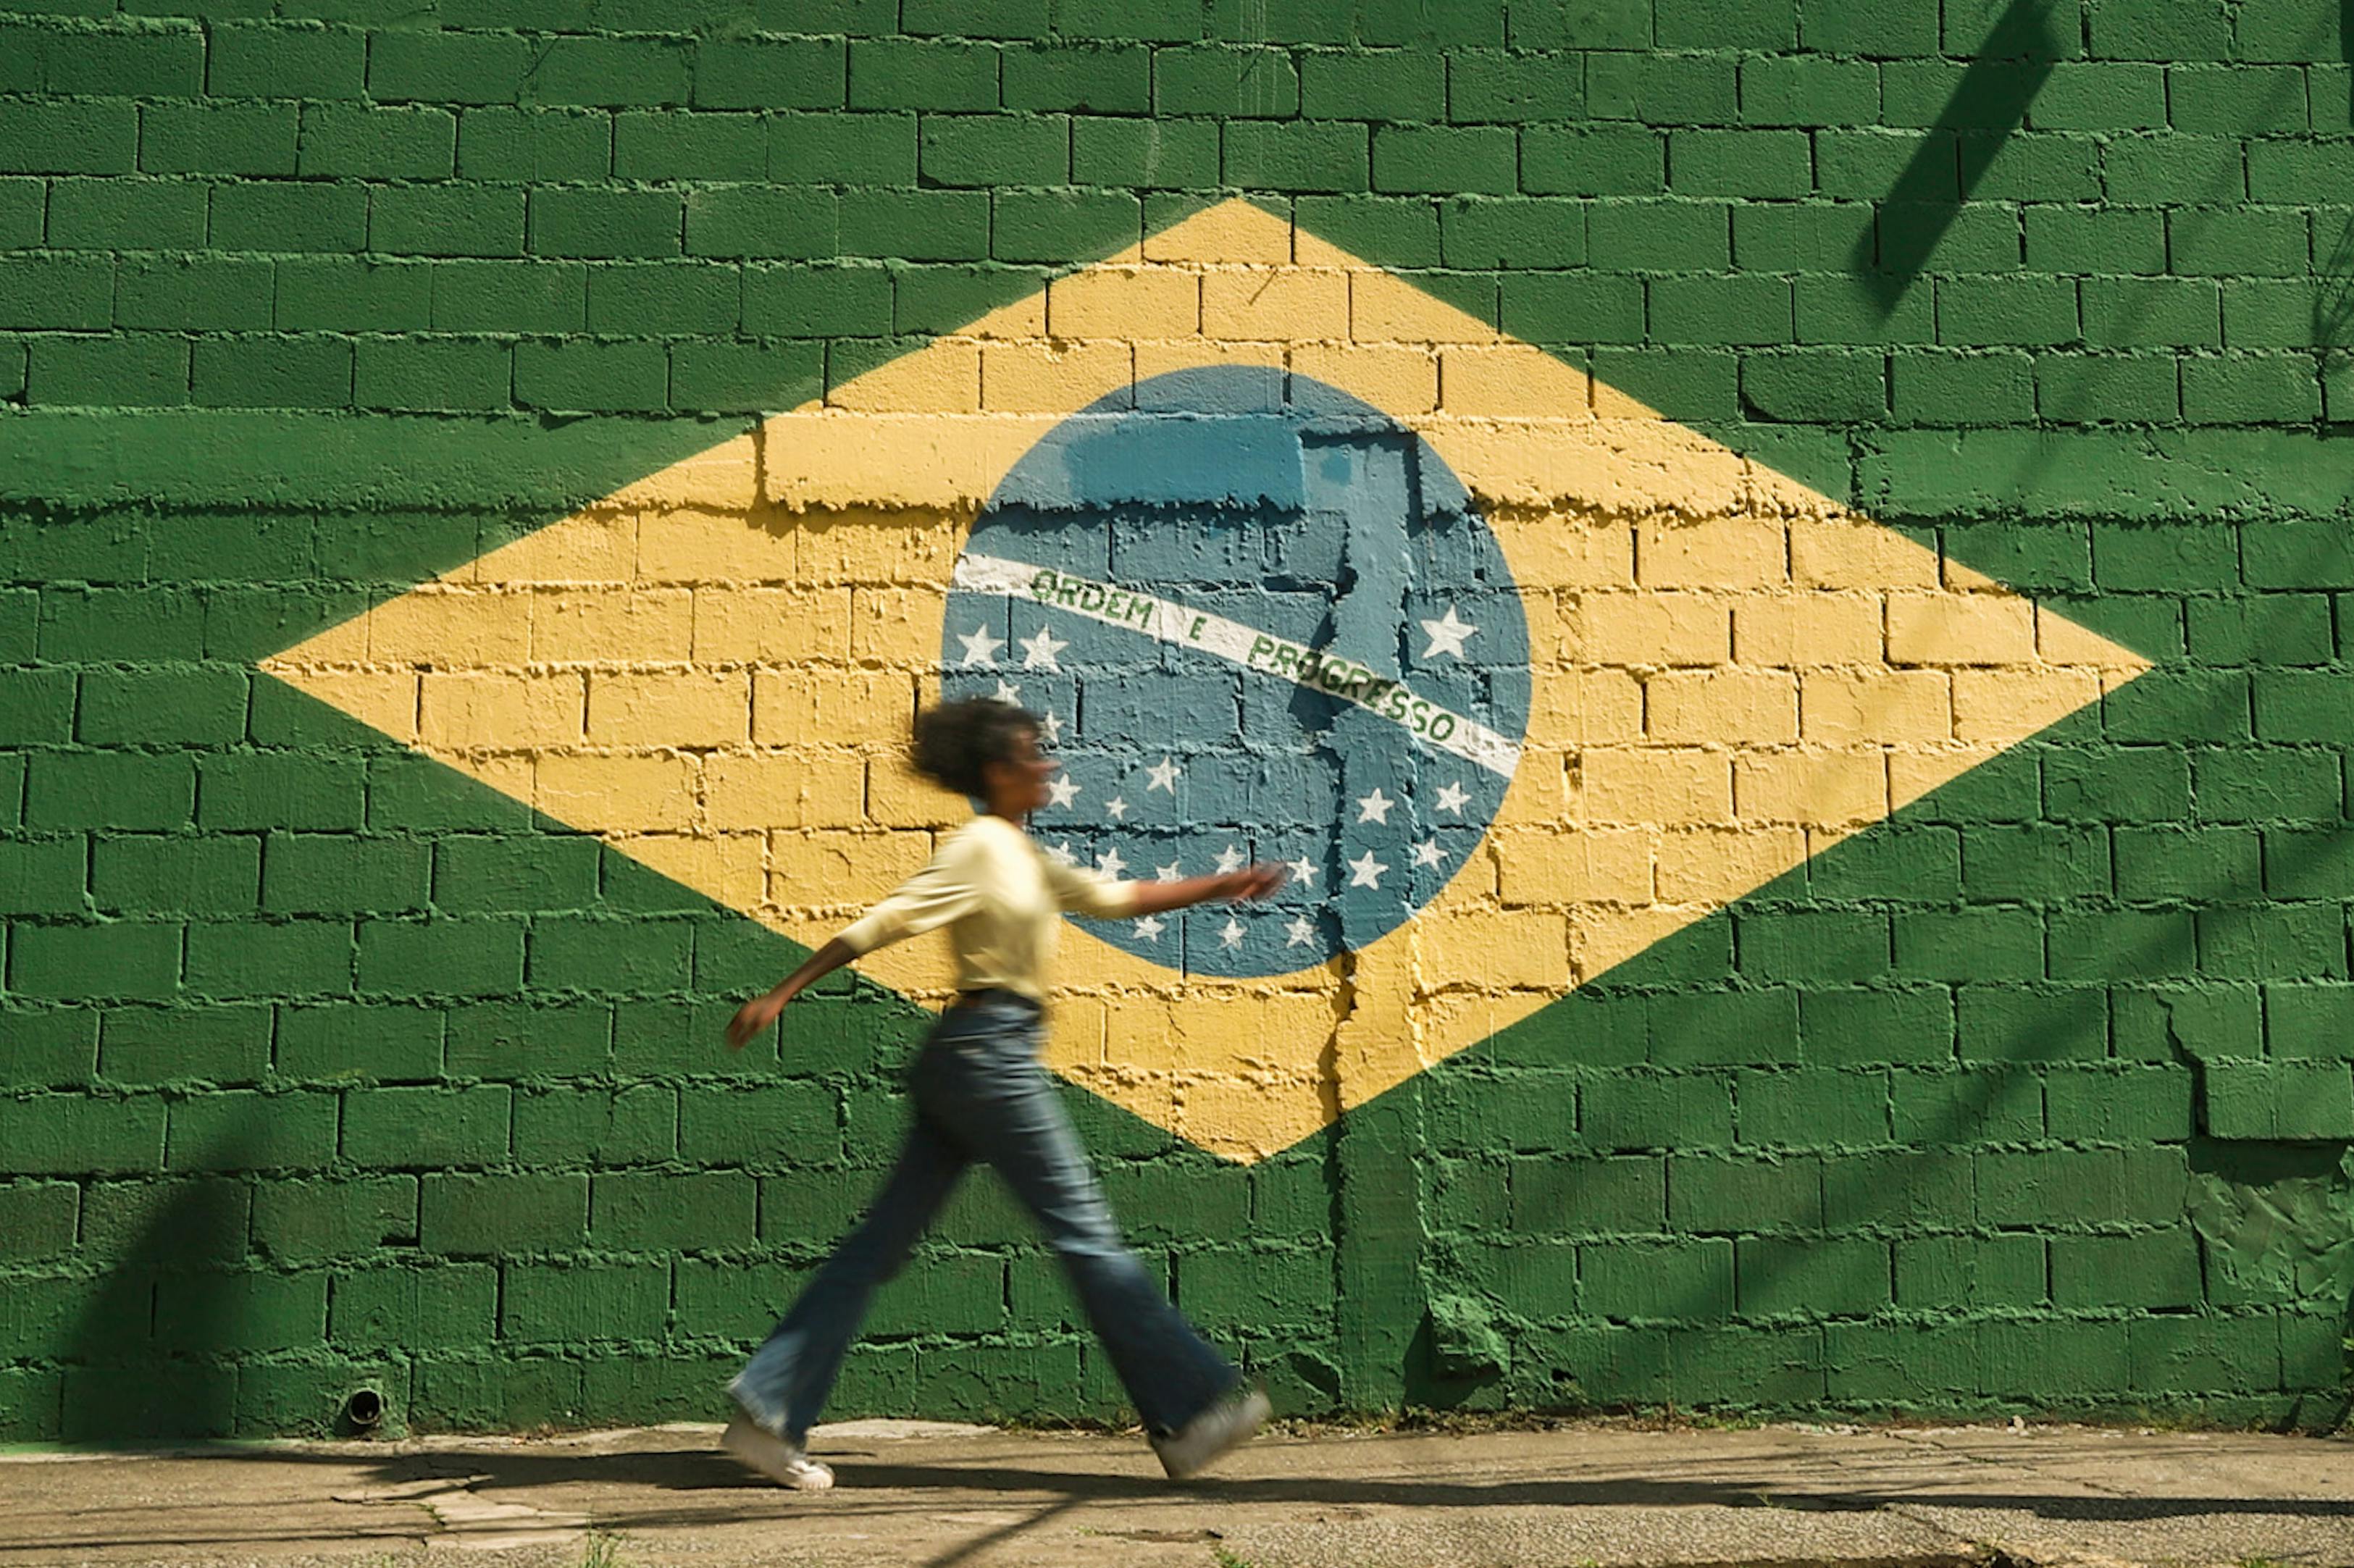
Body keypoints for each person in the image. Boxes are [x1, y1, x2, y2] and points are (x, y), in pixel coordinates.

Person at [719, 697, 1287, 1489]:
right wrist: (783, 990)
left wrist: (1223, 883)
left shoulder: (1022, 853)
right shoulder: (982, 845)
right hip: (989, 1056)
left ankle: (767, 1417)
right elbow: (886, 921)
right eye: (1033, 752)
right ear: (996, 770)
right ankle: (1189, 1416)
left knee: (878, 1246)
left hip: (976, 1056)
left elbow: (1115, 897)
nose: (1048, 763)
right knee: (1087, 1234)